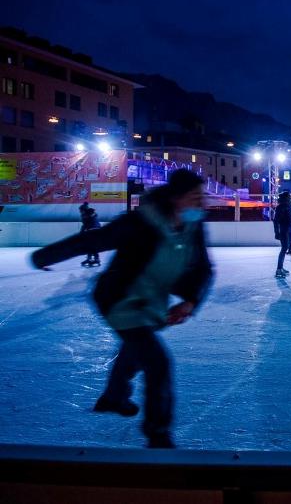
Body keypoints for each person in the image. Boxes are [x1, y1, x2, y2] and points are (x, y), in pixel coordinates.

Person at [31, 169, 213, 449]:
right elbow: (94, 240)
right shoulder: (141, 222)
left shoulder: (194, 226)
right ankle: (158, 435)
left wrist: (190, 300)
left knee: (135, 350)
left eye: (203, 196)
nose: (202, 203)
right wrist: (45, 255)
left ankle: (114, 397)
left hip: (152, 300)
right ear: (175, 198)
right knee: (157, 362)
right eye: (195, 197)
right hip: (120, 300)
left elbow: (202, 267)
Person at [273, 192, 291, 278]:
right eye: (289, 197)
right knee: (284, 249)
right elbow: (276, 221)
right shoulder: (281, 207)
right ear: (286, 198)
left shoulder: (289, 206)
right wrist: (277, 232)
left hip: (289, 230)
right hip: (284, 230)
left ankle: (281, 268)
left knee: (285, 248)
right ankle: (279, 269)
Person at [78, 202, 102, 266]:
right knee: (90, 245)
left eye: (80, 210)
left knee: (91, 245)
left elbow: (85, 225)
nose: (80, 212)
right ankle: (91, 258)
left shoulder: (86, 214)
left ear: (83, 210)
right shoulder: (90, 213)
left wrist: (81, 233)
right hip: (95, 230)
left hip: (93, 231)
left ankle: (95, 259)